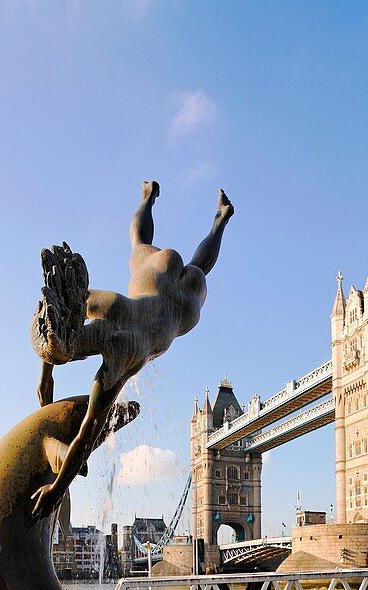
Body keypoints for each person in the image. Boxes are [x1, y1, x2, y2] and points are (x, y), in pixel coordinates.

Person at [30, 181, 234, 520]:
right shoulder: (104, 305)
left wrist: (56, 490)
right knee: (139, 244)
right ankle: (150, 198)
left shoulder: (121, 358)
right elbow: (61, 310)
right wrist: (46, 370)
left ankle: (220, 220)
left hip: (182, 312)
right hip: (156, 277)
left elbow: (88, 433)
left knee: (199, 268)